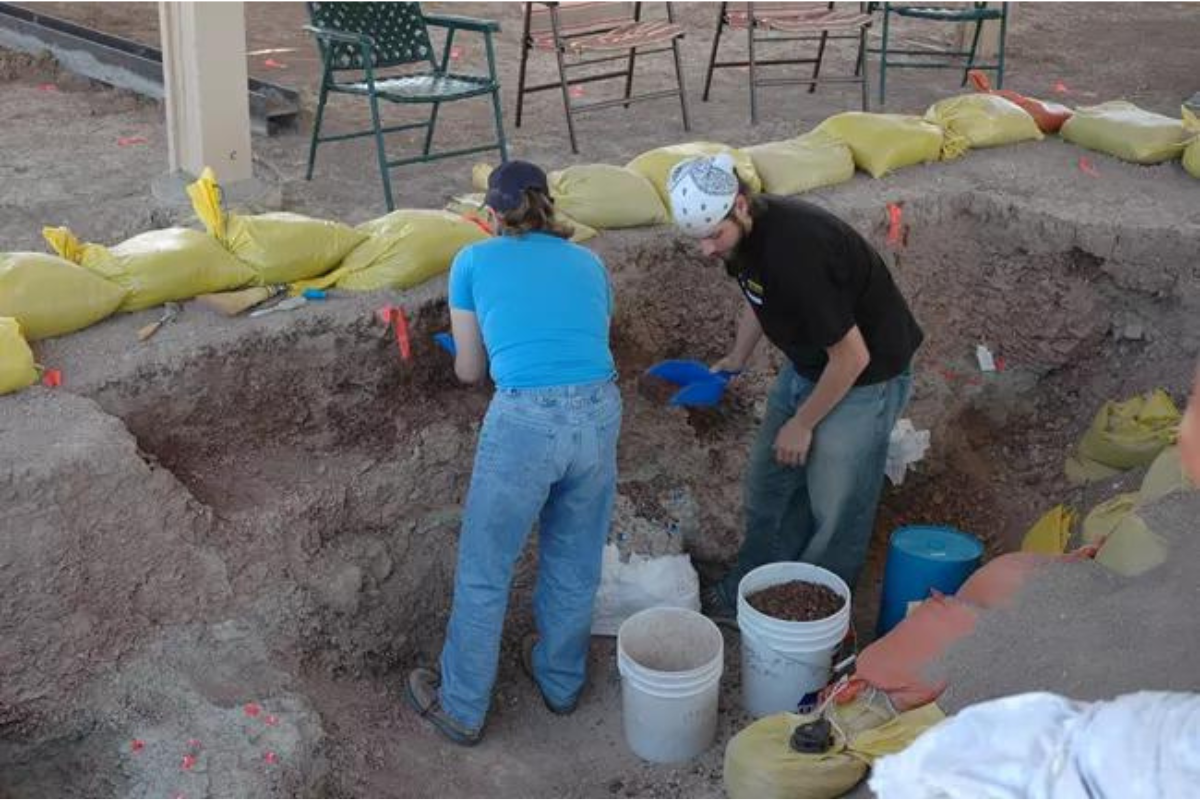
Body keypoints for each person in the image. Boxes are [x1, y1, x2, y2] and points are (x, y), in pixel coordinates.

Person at [406, 161, 622, 745]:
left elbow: (471, 371)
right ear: (548, 205)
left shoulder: (472, 261)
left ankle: (463, 706)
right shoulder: (590, 261)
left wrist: (463, 346)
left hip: (526, 417)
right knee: (575, 559)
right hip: (600, 411)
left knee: (486, 567)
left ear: (492, 215)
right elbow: (590, 334)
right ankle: (560, 681)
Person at [667, 154, 923, 618]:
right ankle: (752, 590)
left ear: (740, 205)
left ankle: (811, 616)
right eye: (699, 239)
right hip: (810, 365)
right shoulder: (741, 242)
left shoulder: (796, 251)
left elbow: (852, 356)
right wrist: (736, 359)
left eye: (712, 235)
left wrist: (804, 423)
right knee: (770, 486)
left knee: (836, 505)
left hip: (867, 377)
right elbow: (757, 296)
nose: (706, 249)